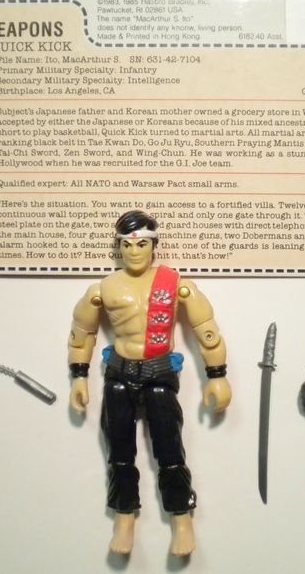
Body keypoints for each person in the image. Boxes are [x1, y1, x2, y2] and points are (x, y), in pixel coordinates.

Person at [68, 210, 232, 557]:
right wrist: (79, 376)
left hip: (159, 374)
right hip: (119, 374)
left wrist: (217, 376)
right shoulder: (104, 289)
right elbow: (82, 333)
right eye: (127, 245)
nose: (135, 251)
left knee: (170, 450)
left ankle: (181, 518)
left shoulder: (175, 284)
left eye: (142, 244)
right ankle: (124, 516)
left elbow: (207, 332)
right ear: (119, 247)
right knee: (119, 452)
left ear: (153, 245)